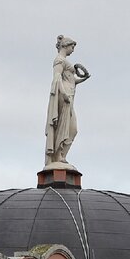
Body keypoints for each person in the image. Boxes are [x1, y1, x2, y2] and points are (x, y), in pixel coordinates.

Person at [45, 35, 91, 166]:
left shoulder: (64, 61)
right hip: (64, 95)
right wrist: (63, 93)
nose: (73, 50)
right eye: (72, 47)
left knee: (73, 129)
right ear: (65, 45)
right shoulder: (59, 60)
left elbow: (70, 80)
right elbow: (57, 78)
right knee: (63, 126)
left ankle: (62, 155)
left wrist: (83, 79)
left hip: (69, 95)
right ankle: (58, 156)